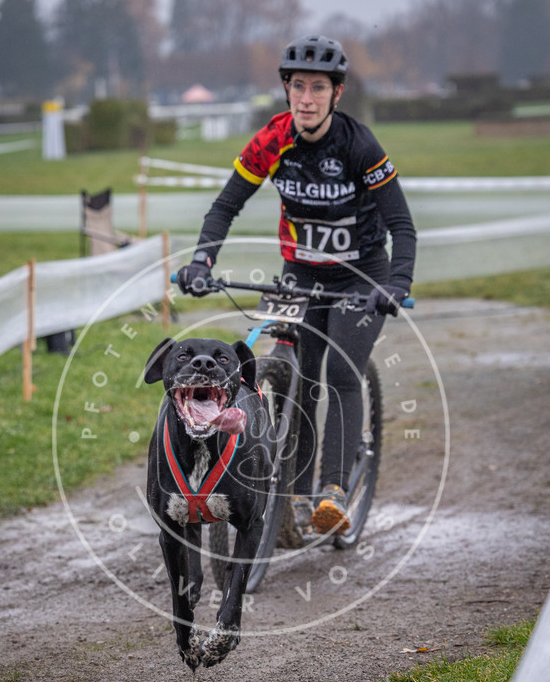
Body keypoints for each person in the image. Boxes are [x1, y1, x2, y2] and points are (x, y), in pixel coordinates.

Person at [177, 34, 416, 535]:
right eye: (298, 87)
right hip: (300, 271)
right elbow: (226, 206)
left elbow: (401, 225)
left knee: (341, 373)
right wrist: (202, 261)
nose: (307, 99)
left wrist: (396, 281)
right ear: (287, 90)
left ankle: (332, 490)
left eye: (318, 89)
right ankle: (297, 496)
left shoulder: (358, 144)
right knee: (301, 374)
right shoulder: (272, 139)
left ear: (337, 94)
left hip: (360, 273)